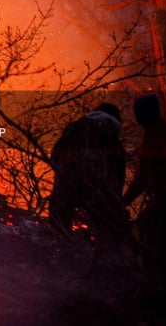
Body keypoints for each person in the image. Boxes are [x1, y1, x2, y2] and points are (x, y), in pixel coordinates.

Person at [48, 103, 127, 242]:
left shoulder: (73, 129)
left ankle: (59, 248)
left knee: (59, 221)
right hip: (96, 190)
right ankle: (105, 252)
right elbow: (117, 173)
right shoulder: (112, 138)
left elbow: (54, 157)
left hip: (67, 185)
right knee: (109, 228)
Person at [123, 94, 166, 263]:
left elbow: (140, 181)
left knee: (157, 237)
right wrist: (135, 153)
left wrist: (121, 203)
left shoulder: (153, 146)